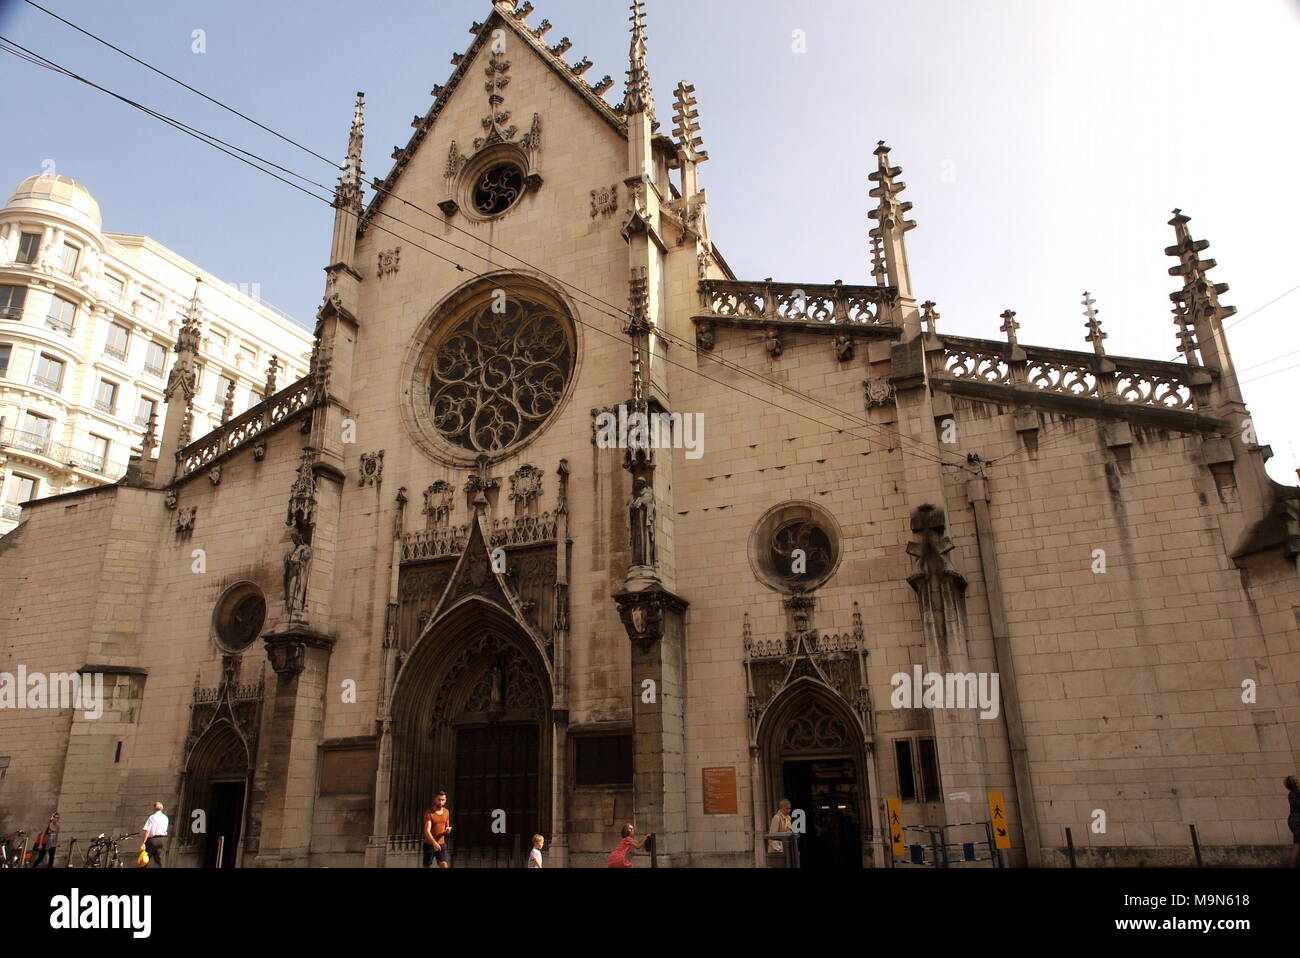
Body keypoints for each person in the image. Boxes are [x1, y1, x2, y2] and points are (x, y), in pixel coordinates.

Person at [422, 791, 452, 869]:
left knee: (444, 865)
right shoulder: (429, 813)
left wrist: (447, 831)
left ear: (445, 800)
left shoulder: (446, 812)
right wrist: (434, 843)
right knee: (426, 866)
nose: (441, 802)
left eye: (443, 800)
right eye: (439, 799)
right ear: (435, 799)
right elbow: (427, 831)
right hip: (429, 844)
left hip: (441, 844)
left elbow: (446, 827)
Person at [141, 801, 169, 868]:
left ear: (154, 808)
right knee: (160, 862)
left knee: (144, 860)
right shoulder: (166, 818)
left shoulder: (152, 817)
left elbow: (147, 831)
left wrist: (143, 842)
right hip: (163, 840)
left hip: (152, 840)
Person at [1287, 776, 1300, 867]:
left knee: (1297, 843)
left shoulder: (1291, 794)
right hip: (1298, 821)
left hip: (1293, 820)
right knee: (1297, 844)